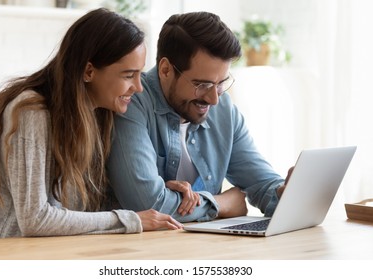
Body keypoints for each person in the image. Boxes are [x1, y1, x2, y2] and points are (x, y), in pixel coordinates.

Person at [0, 8, 182, 242]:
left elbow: (89, 209)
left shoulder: (96, 116)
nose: (138, 87)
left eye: (139, 74)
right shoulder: (31, 113)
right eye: (128, 75)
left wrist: (157, 187)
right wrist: (131, 220)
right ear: (89, 71)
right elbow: (35, 219)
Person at [107, 11, 290, 223]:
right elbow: (148, 204)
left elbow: (263, 184)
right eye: (202, 84)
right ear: (166, 70)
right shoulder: (131, 103)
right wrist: (222, 204)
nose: (213, 99)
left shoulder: (224, 110)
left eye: (221, 83)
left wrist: (284, 192)